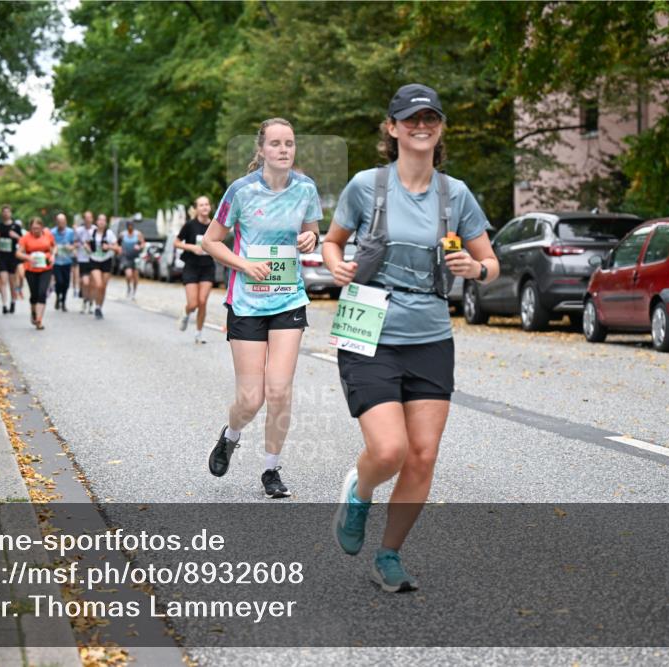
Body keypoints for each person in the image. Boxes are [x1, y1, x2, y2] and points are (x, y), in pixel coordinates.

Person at [324, 84, 499, 592]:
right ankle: (358, 494)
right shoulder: (365, 186)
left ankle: (390, 555)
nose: (421, 125)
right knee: (389, 450)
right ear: (393, 128)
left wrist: (476, 268)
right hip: (369, 329)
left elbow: (490, 263)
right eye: (411, 118)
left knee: (422, 455)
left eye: (430, 118)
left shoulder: (456, 194)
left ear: (439, 128)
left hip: (430, 336)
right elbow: (334, 244)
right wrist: (337, 267)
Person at [200, 118, 321, 499]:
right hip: (249, 302)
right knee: (251, 399)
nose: (284, 149)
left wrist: (309, 237)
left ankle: (271, 470)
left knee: (280, 389)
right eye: (276, 143)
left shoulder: (306, 189)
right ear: (262, 150)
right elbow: (210, 241)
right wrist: (244, 264)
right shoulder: (240, 191)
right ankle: (231, 435)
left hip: (288, 297)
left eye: (289, 143)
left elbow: (312, 230)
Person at [175, 196, 217, 344]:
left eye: (206, 204)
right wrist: (192, 247)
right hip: (191, 266)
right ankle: (186, 313)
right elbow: (176, 242)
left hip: (207, 267)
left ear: (210, 207)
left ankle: (198, 334)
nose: (204, 207)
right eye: (201, 205)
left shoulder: (215, 225)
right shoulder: (190, 225)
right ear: (197, 208)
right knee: (193, 304)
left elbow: (219, 243)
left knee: (203, 301)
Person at [15, 217, 55, 330]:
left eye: (38, 228)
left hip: (46, 267)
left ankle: (39, 320)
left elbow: (53, 247)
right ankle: (33, 312)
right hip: (31, 269)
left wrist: (52, 256)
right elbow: (18, 253)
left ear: (42, 227)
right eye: (33, 228)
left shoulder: (48, 235)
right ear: (30, 228)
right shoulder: (25, 238)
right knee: (34, 294)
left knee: (42, 292)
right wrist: (28, 257)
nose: (36, 231)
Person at [86, 213, 119, 320]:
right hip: (94, 260)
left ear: (106, 223)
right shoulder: (91, 232)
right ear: (97, 222)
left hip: (106, 261)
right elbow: (86, 243)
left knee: (103, 287)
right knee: (99, 284)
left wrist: (109, 246)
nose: (101, 222)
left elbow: (118, 248)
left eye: (103, 220)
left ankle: (99, 307)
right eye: (100, 220)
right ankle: (96, 305)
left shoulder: (109, 234)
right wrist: (88, 248)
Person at [0, 205, 23, 315]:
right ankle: (4, 304)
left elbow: (22, 240)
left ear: (11, 213)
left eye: (7, 212)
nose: (6, 214)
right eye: (4, 212)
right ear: (2, 214)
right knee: (3, 280)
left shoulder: (16, 227)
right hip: (1, 257)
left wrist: (16, 236)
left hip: (12, 257)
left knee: (12, 282)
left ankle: (13, 302)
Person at [51, 213, 76, 311]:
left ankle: (63, 301)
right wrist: (53, 249)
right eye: (59, 222)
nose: (61, 223)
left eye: (63, 221)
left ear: (65, 222)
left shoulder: (70, 232)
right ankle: (58, 297)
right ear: (56, 222)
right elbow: (48, 245)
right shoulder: (52, 232)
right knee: (59, 281)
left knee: (66, 282)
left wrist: (71, 247)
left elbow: (75, 243)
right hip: (57, 262)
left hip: (67, 261)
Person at [75, 210, 96, 312]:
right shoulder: (79, 231)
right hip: (83, 259)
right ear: (84, 219)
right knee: (85, 282)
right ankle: (84, 300)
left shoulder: (95, 230)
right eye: (86, 217)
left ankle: (91, 303)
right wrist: (79, 245)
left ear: (92, 218)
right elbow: (74, 243)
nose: (88, 219)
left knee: (92, 283)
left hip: (94, 259)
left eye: (90, 217)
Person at [119, 221, 143, 300]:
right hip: (126, 257)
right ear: (127, 227)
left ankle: (134, 292)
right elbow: (118, 243)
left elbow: (143, 243)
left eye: (131, 226)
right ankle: (129, 287)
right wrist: (120, 250)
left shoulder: (138, 234)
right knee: (128, 274)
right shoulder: (123, 234)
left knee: (135, 276)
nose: (130, 227)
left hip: (135, 257)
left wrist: (139, 247)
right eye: (129, 226)